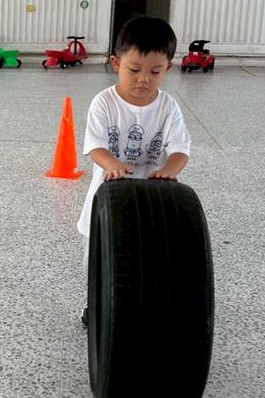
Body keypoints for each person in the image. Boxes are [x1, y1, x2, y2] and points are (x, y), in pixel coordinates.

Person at [77, 16, 190, 325]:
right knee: (98, 255)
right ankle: (96, 304)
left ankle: (141, 306)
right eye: (134, 70)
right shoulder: (104, 103)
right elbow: (95, 147)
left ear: (168, 69)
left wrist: (168, 169)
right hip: (108, 195)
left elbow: (180, 149)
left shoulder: (168, 107)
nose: (144, 80)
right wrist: (112, 164)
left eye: (155, 72)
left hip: (150, 198)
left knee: (144, 255)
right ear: (116, 64)